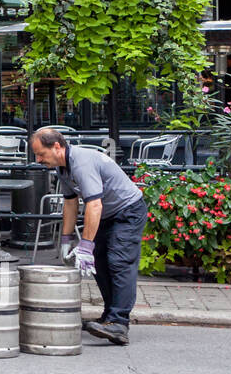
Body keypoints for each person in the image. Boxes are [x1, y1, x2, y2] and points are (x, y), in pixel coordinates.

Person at [29, 127, 148, 345]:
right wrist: (65, 241)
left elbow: (94, 204)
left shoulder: (81, 162)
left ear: (56, 146)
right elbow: (71, 202)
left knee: (119, 261)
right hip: (108, 213)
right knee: (99, 263)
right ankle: (109, 316)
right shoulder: (62, 168)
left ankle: (119, 323)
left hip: (127, 211)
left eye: (40, 154)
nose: (38, 159)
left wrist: (85, 245)